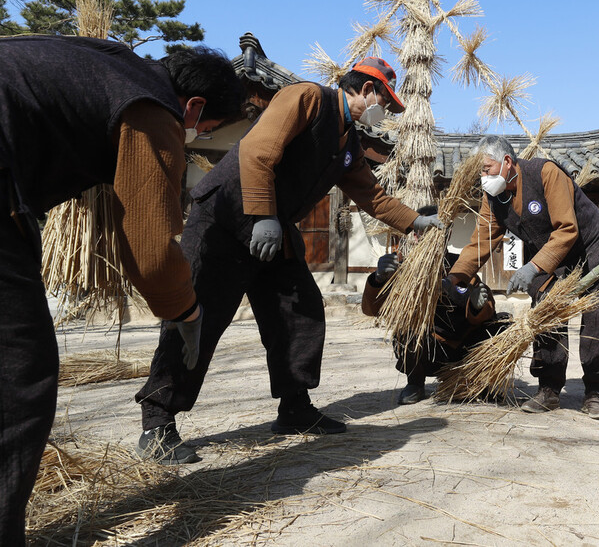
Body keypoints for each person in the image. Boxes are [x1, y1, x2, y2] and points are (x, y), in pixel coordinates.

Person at [135, 57, 444, 463]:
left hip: (274, 229)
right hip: (226, 219)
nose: (383, 113)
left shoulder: (346, 142)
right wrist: (263, 214)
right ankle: (157, 424)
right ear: (367, 89)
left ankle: (295, 406)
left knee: (300, 311)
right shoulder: (307, 98)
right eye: (384, 103)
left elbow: (373, 197)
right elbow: (259, 151)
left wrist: (416, 222)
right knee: (198, 317)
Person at [0, 36, 244, 547]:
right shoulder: (152, 108)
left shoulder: (106, 63)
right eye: (204, 128)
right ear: (194, 106)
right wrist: (186, 308)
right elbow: (151, 249)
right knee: (18, 377)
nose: (197, 136)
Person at [447, 135, 599, 421]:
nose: (483, 177)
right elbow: (482, 239)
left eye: (486, 169)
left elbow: (566, 229)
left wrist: (531, 267)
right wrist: (456, 277)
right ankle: (549, 389)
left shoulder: (545, 173)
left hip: (590, 246)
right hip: (549, 254)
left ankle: (595, 392)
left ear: (506, 161)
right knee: (544, 308)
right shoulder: (493, 196)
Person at [360, 237, 511, 405]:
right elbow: (372, 310)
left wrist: (476, 307)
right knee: (409, 328)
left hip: (464, 345)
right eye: (417, 233)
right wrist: (378, 279)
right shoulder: (401, 267)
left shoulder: (461, 264)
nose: (421, 238)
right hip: (428, 349)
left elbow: (488, 310)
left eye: (431, 233)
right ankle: (415, 383)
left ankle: (475, 383)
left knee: (504, 325)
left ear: (446, 237)